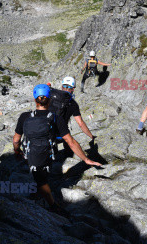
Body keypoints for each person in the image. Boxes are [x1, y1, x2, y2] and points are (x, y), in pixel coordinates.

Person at [13, 84, 101, 212]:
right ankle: (50, 203)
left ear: (34, 99)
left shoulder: (24, 116)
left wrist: (17, 151)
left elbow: (16, 140)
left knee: (39, 177)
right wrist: (86, 160)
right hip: (48, 154)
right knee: (43, 176)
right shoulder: (55, 118)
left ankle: (47, 202)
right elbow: (70, 141)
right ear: (49, 100)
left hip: (31, 154)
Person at [55, 76, 97, 154]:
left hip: (45, 130)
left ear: (62, 87)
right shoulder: (73, 104)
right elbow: (80, 123)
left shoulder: (52, 97)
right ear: (73, 89)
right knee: (69, 144)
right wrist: (92, 136)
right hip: (62, 134)